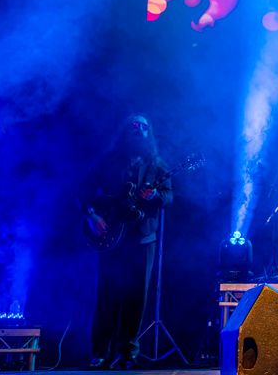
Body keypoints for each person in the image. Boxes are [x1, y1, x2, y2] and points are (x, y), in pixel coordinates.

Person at [80, 115, 172, 369]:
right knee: (107, 295)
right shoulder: (109, 161)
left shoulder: (157, 164)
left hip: (143, 239)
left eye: (144, 126)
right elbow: (83, 190)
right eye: (134, 125)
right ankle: (100, 352)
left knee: (136, 299)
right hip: (112, 238)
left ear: (149, 133)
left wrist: (155, 195)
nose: (139, 129)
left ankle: (128, 354)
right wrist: (93, 216)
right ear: (124, 131)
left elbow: (169, 196)